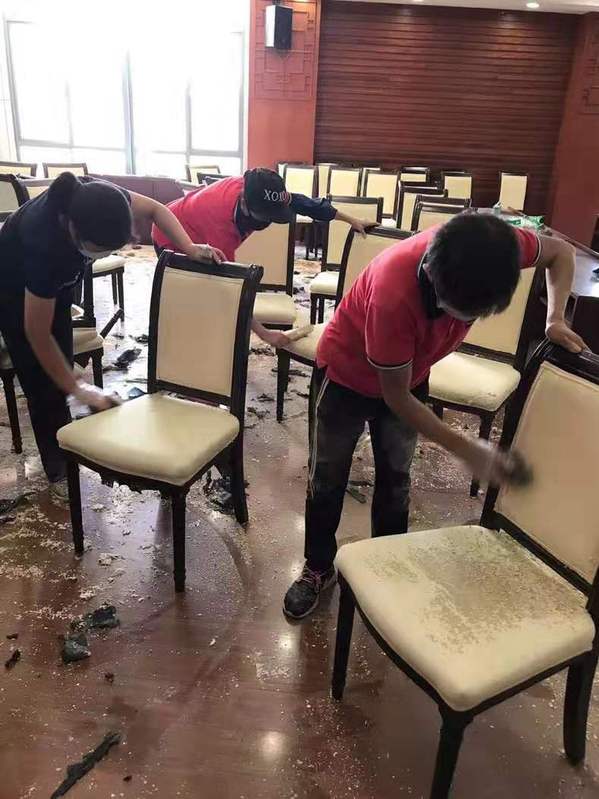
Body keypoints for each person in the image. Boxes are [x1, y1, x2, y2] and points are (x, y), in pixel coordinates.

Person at [283, 213, 587, 620]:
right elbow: (395, 396)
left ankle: (389, 563)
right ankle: (319, 566)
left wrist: (555, 319)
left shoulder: (494, 246)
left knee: (396, 478)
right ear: (429, 270)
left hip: (410, 373)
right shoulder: (393, 291)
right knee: (326, 478)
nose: (458, 325)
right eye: (453, 311)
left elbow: (561, 253)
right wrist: (469, 449)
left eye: (469, 318)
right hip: (345, 379)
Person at [0, 172, 224, 500]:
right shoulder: (43, 243)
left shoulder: (103, 198)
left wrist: (189, 247)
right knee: (41, 381)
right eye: (100, 250)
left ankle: (66, 438)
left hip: (55, 278)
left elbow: (157, 209)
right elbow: (37, 333)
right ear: (72, 228)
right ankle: (58, 468)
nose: (104, 255)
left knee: (61, 359)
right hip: (11, 286)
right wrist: (80, 389)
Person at [152, 168, 376, 347]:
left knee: (212, 305)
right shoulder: (221, 224)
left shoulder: (262, 192)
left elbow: (307, 204)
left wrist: (352, 220)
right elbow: (230, 288)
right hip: (171, 235)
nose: (269, 221)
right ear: (244, 203)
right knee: (199, 302)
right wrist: (265, 333)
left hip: (194, 221)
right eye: (265, 216)